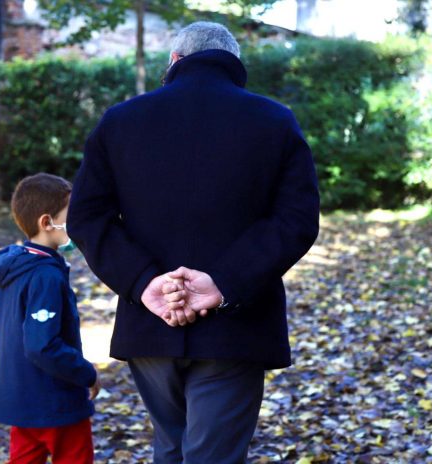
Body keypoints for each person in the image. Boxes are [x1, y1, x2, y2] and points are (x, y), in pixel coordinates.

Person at [67, 21, 320, 463]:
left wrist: (145, 283)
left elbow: (87, 216)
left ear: (174, 61)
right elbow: (297, 219)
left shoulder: (120, 120)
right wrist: (224, 283)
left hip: (151, 322)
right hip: (236, 325)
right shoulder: (274, 120)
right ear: (235, 64)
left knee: (171, 447)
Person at [0, 173, 100, 464]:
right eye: (71, 216)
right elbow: (41, 345)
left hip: (22, 402)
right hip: (56, 402)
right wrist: (87, 373)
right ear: (47, 223)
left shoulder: (16, 265)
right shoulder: (45, 275)